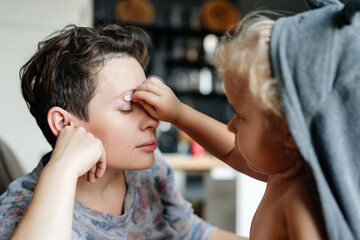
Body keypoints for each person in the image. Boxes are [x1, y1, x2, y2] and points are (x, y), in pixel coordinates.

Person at [0, 24, 246, 240]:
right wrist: (62, 170)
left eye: (147, 104)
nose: (153, 121)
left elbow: (189, 233)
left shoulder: (152, 170)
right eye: (128, 106)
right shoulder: (20, 207)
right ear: (65, 124)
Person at [132, 8, 355, 240]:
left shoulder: (302, 200)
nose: (230, 126)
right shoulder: (282, 173)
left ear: (289, 132)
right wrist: (179, 114)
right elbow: (230, 150)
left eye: (240, 115)